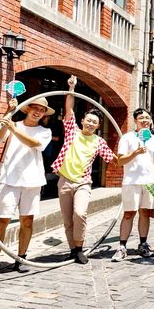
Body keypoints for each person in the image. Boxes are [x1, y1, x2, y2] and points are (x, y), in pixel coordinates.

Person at [0, 97, 54, 279]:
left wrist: (14, 129)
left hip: (32, 181)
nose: (38, 112)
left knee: (27, 221)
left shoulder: (44, 131)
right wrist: (8, 111)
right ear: (28, 109)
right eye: (35, 107)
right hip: (9, 179)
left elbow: (35, 144)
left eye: (42, 109)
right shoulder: (13, 123)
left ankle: (21, 258)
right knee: (2, 221)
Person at [51, 75, 115, 264]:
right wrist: (71, 89)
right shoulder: (72, 131)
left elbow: (113, 159)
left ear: (98, 126)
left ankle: (79, 247)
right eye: (88, 120)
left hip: (83, 182)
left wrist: (133, 153)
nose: (90, 124)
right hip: (64, 180)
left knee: (80, 213)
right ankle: (72, 249)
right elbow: (69, 108)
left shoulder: (99, 141)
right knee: (67, 219)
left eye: (94, 122)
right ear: (83, 120)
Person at [112, 108, 154, 262]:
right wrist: (135, 153)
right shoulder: (127, 138)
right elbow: (120, 161)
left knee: (145, 212)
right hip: (131, 181)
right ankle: (122, 246)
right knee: (129, 213)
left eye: (147, 117)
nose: (145, 120)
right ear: (135, 120)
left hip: (150, 182)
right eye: (141, 117)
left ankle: (143, 244)